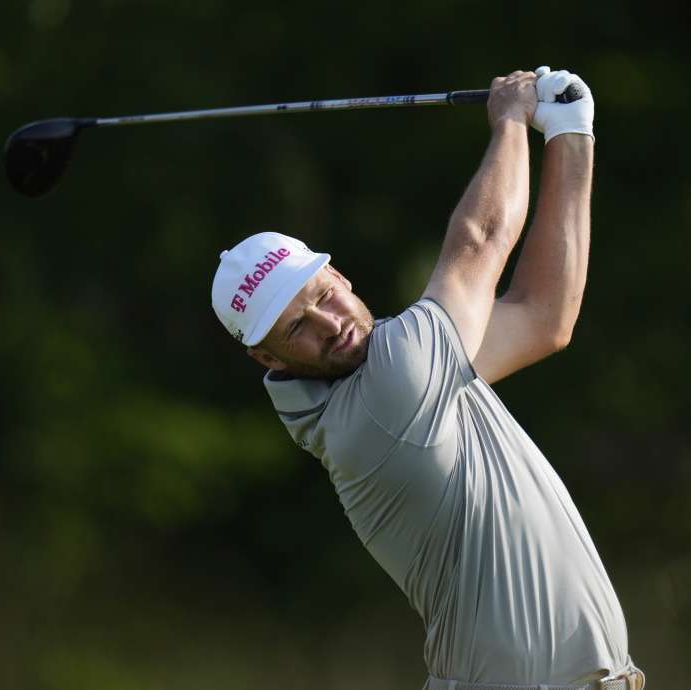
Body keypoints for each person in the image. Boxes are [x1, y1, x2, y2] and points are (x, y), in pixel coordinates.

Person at [210, 67, 644, 690]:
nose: (330, 323)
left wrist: (572, 135)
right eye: (297, 326)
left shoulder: (409, 373)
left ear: (340, 277)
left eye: (323, 295)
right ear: (268, 360)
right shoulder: (392, 389)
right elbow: (480, 240)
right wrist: (511, 120)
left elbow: (545, 317)